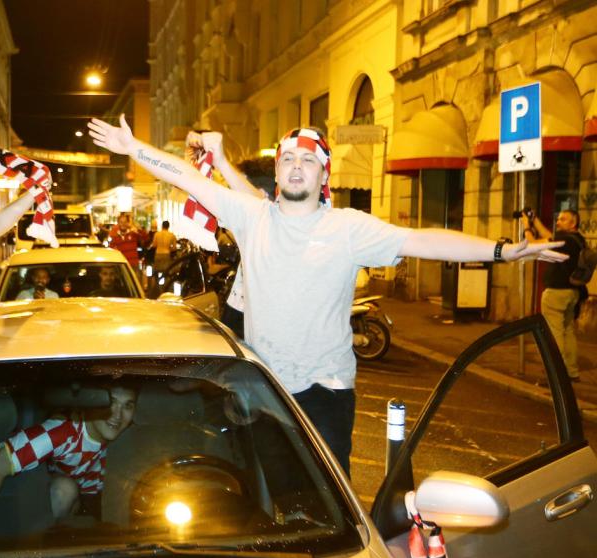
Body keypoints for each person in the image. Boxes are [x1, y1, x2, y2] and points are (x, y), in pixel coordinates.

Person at [89, 116, 566, 476]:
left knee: (329, 500)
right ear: (278, 172)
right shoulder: (253, 217)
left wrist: (503, 250)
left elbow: (422, 240)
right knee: (270, 493)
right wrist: (134, 147)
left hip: (325, 393)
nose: (297, 167)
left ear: (324, 176)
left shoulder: (348, 229)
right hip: (264, 390)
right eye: (289, 160)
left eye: (308, 160)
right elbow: (185, 176)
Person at [0, 383, 137, 539]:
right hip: (25, 512)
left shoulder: (121, 446)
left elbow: (94, 505)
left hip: (67, 523)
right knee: (64, 489)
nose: (118, 415)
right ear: (92, 400)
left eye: (128, 406)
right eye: (111, 402)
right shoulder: (63, 431)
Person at [205, 149, 276, 339]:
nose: (231, 197)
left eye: (235, 189)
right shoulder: (252, 232)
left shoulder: (275, 238)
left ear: (259, 196)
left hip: (257, 324)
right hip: (238, 311)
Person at [522, 209, 585, 381]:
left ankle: (557, 375)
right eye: (558, 219)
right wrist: (536, 221)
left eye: (563, 220)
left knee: (555, 333)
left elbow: (534, 245)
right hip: (572, 292)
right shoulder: (577, 240)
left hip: (556, 293)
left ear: (573, 223)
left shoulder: (564, 239)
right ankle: (572, 372)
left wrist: (527, 228)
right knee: (568, 331)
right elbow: (549, 237)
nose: (558, 222)